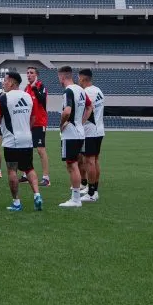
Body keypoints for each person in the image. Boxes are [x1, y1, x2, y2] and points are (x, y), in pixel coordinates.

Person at [0, 71, 43, 212]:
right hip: (27, 139)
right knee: (29, 168)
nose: (3, 83)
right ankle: (37, 194)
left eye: (5, 81)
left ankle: (16, 202)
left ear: (12, 82)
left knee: (12, 170)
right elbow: (33, 118)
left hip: (12, 140)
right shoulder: (28, 96)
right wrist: (26, 131)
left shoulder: (4, 97)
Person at [57, 65, 91, 209]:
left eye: (59, 77)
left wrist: (61, 124)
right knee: (75, 163)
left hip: (71, 133)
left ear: (62, 77)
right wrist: (81, 122)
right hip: (80, 131)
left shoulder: (68, 91)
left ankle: (75, 199)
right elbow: (90, 107)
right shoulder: (81, 90)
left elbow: (67, 111)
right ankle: (76, 195)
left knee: (72, 165)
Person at [78, 68, 105, 203]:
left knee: (89, 161)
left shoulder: (87, 92)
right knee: (95, 160)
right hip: (99, 130)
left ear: (83, 78)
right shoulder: (98, 91)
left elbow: (86, 111)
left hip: (90, 131)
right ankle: (94, 189)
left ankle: (92, 192)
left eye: (79, 78)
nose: (78, 81)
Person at [25, 66, 50, 187]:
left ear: (36, 75)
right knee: (26, 148)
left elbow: (42, 101)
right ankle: (26, 174)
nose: (29, 75)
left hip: (39, 122)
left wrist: (35, 89)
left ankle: (46, 178)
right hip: (28, 123)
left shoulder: (41, 86)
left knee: (40, 149)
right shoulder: (26, 89)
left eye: (31, 73)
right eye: (28, 73)